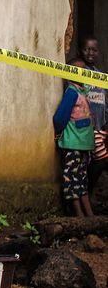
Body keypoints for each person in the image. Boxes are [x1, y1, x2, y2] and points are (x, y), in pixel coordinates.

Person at [54, 59, 96, 217]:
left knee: (82, 180)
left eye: (84, 70)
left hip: (83, 145)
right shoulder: (71, 92)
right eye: (78, 70)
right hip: (73, 144)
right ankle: (79, 215)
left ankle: (89, 215)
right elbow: (60, 117)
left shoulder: (82, 92)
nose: (82, 73)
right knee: (72, 180)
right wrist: (59, 133)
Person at [78, 36, 107, 196]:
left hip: (101, 126)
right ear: (80, 51)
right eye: (86, 49)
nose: (90, 52)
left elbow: (104, 99)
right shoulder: (78, 71)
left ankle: (85, 193)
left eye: (94, 49)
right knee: (100, 160)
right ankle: (85, 193)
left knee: (96, 160)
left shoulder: (100, 74)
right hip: (87, 127)